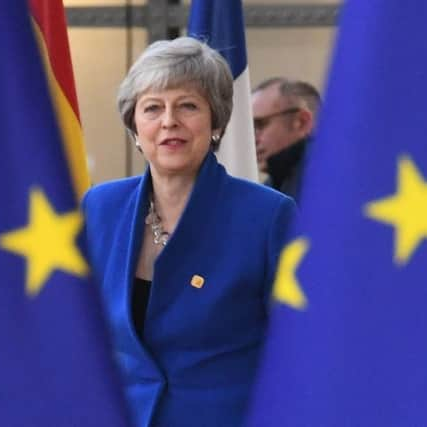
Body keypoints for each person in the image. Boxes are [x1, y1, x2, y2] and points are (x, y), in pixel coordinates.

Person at [81, 37, 296, 427]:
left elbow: (296, 352)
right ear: (134, 127)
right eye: (152, 108)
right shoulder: (100, 207)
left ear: (215, 122)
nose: (168, 122)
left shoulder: (267, 217)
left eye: (188, 106)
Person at [251, 77, 321, 200]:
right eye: (250, 128)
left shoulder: (332, 181)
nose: (253, 140)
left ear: (302, 122)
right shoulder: (271, 188)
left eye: (260, 124)